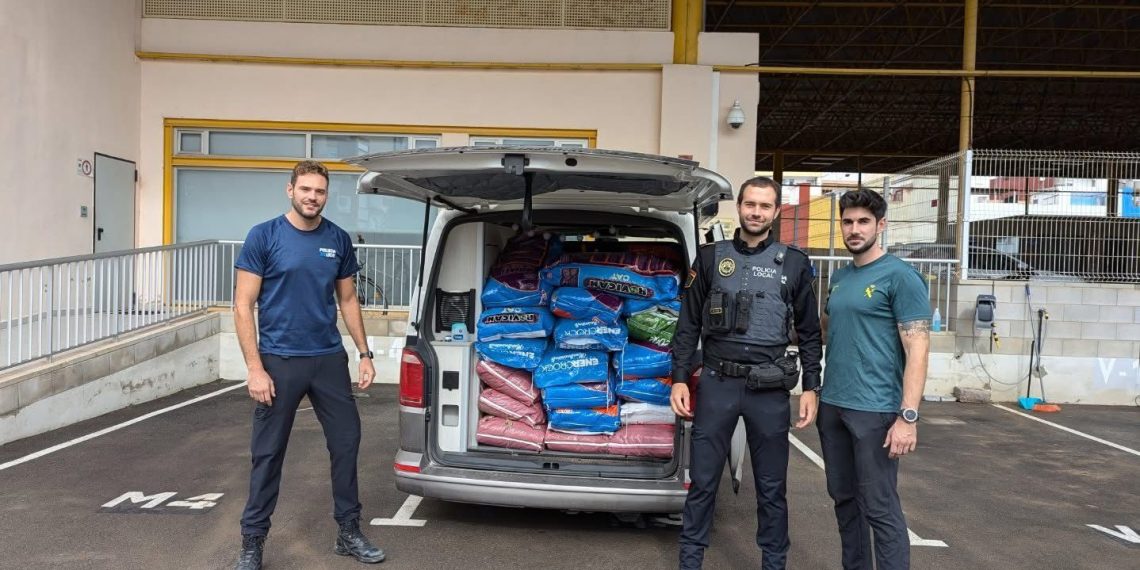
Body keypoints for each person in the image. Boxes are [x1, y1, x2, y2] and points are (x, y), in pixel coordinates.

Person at [232, 160, 385, 569]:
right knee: (268, 453)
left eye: (319, 191)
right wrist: (254, 367)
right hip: (279, 361)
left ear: (325, 195)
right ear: (290, 190)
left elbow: (348, 300)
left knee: (347, 442)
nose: (312, 197)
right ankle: (252, 541)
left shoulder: (336, 239)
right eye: (305, 189)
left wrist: (364, 353)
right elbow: (243, 305)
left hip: (327, 359)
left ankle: (348, 531)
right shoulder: (263, 236)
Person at [670, 176, 823, 570]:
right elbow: (687, 325)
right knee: (703, 481)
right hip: (718, 384)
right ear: (738, 206)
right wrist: (681, 378)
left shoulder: (794, 263)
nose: (756, 212)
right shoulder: (708, 258)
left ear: (775, 211)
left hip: (768, 389)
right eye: (750, 204)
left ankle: (774, 563)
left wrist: (811, 386)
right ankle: (690, 561)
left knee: (772, 488)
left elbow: (809, 332)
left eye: (765, 206)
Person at [818, 188, 931, 570]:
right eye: (848, 221)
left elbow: (918, 349)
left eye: (863, 221)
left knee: (880, 507)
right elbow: (831, 330)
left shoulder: (901, 277)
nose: (854, 229)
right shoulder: (839, 277)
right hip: (833, 406)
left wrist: (908, 416)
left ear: (881, 225)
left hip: (876, 411)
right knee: (845, 502)